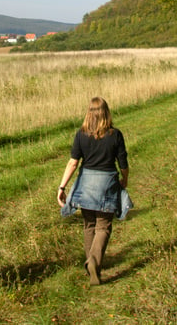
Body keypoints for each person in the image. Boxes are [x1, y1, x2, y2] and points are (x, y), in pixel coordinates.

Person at [58, 97, 131, 286]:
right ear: (106, 112)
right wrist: (125, 179)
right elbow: (123, 163)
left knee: (89, 224)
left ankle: (90, 262)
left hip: (86, 184)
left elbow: (73, 162)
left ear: (89, 113)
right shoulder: (116, 135)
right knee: (103, 226)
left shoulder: (81, 134)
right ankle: (94, 262)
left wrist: (62, 186)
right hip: (107, 182)